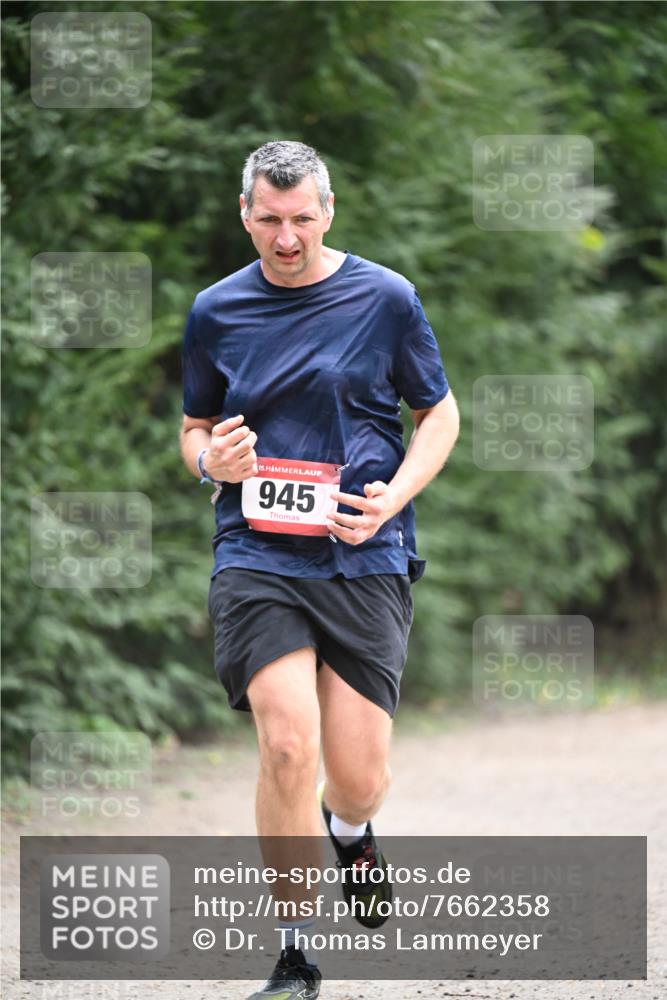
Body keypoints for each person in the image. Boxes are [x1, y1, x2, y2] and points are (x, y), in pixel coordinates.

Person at [180, 140, 460, 1000]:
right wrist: (209, 466)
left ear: (327, 212)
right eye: (269, 218)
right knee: (287, 744)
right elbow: (195, 427)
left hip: (362, 551)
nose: (286, 236)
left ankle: (354, 829)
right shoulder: (216, 309)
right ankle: (296, 952)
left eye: (302, 218)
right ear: (245, 213)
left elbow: (438, 414)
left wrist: (390, 499)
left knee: (358, 774)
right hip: (258, 554)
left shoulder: (384, 298)